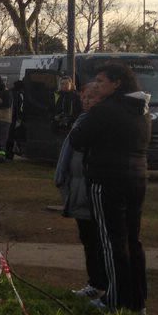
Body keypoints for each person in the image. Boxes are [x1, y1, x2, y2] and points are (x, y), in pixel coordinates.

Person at [69, 62, 152, 313]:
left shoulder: (106, 110)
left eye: (102, 81)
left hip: (107, 179)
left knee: (111, 240)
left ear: (117, 83)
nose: (97, 85)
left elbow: (78, 139)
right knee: (132, 240)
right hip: (137, 177)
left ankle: (114, 300)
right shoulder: (141, 109)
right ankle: (136, 300)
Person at [55, 83, 107, 302]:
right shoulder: (81, 119)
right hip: (78, 185)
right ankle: (94, 282)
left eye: (92, 97)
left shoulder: (97, 122)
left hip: (89, 186)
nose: (86, 101)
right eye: (84, 97)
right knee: (87, 237)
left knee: (96, 239)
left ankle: (99, 284)